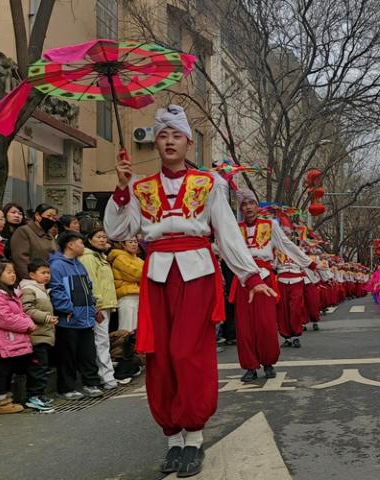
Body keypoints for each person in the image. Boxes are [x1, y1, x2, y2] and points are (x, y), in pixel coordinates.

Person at [103, 105, 275, 477]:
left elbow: (226, 232)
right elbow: (117, 231)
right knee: (160, 356)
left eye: (176, 136)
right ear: (155, 142)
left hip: (196, 274)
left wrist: (250, 276)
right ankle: (172, 439)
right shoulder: (140, 187)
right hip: (157, 277)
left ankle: (194, 436)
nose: (169, 142)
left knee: (189, 353)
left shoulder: (209, 183)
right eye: (162, 136)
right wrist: (121, 189)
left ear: (188, 142)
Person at [235, 190, 313, 381]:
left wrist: (309, 263)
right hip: (243, 279)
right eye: (244, 204)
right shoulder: (235, 228)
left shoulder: (270, 225)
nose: (248, 207)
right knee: (244, 326)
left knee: (266, 324)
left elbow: (287, 245)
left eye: (251, 203)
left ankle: (268, 362)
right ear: (240, 208)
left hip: (265, 278)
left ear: (257, 205)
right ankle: (250, 366)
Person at [49, 231, 103, 400]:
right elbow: (56, 290)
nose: (83, 246)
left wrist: (92, 308)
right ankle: (66, 388)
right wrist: (68, 309)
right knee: (68, 356)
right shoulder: (57, 266)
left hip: (86, 317)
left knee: (88, 353)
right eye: (80, 243)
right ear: (70, 245)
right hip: (68, 319)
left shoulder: (79, 264)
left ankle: (91, 383)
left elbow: (88, 288)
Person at [0, 261, 37, 414]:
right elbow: (6, 319)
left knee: (7, 372)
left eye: (13, 272)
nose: (13, 275)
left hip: (6, 342)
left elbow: (19, 314)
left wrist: (26, 321)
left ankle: (7, 401)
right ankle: (1, 404)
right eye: (8, 272)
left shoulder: (10, 295)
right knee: (1, 373)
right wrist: (28, 324)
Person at [79, 227, 118, 390]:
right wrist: (97, 304)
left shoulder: (100, 256)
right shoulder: (88, 257)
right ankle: (106, 377)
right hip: (99, 306)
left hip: (106, 304)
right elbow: (91, 282)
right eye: (98, 237)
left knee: (103, 340)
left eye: (104, 237)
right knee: (101, 341)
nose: (102, 240)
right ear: (89, 240)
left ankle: (107, 375)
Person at [20, 259, 57, 412]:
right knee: (37, 368)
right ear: (32, 275)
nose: (47, 275)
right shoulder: (29, 289)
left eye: (48, 272)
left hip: (44, 335)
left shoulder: (42, 289)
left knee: (42, 368)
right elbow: (26, 309)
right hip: (36, 336)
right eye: (43, 273)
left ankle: (39, 395)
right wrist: (46, 317)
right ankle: (33, 397)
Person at [274, 225, 315, 348]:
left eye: (287, 235)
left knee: (296, 309)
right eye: (283, 235)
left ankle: (296, 336)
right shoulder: (275, 250)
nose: (285, 237)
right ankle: (286, 337)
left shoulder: (298, 250)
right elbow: (272, 265)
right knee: (282, 310)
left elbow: (306, 263)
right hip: (281, 280)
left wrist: (313, 277)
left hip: (296, 280)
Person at [10, 203, 57, 280]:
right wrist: (32, 278)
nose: (51, 219)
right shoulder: (24, 231)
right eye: (49, 216)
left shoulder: (50, 235)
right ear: (37, 216)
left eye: (54, 217)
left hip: (48, 278)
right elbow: (21, 260)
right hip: (32, 280)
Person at [108, 237, 143, 332]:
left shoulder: (139, 260)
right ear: (123, 244)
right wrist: (144, 274)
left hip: (139, 294)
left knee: (137, 328)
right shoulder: (120, 258)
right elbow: (135, 274)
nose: (134, 244)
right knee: (126, 327)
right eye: (130, 242)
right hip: (126, 296)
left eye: (135, 242)